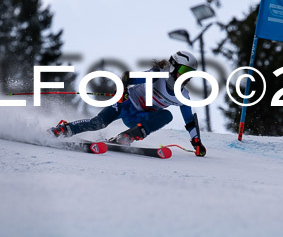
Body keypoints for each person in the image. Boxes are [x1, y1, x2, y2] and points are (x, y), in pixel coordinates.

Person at [49, 50, 207, 157]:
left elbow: (190, 121)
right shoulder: (157, 75)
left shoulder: (183, 95)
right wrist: (122, 90)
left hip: (140, 118)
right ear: (173, 67)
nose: (187, 77)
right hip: (125, 104)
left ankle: (126, 136)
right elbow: (127, 77)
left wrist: (196, 142)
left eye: (191, 74)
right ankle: (62, 129)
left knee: (167, 115)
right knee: (97, 123)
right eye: (185, 71)